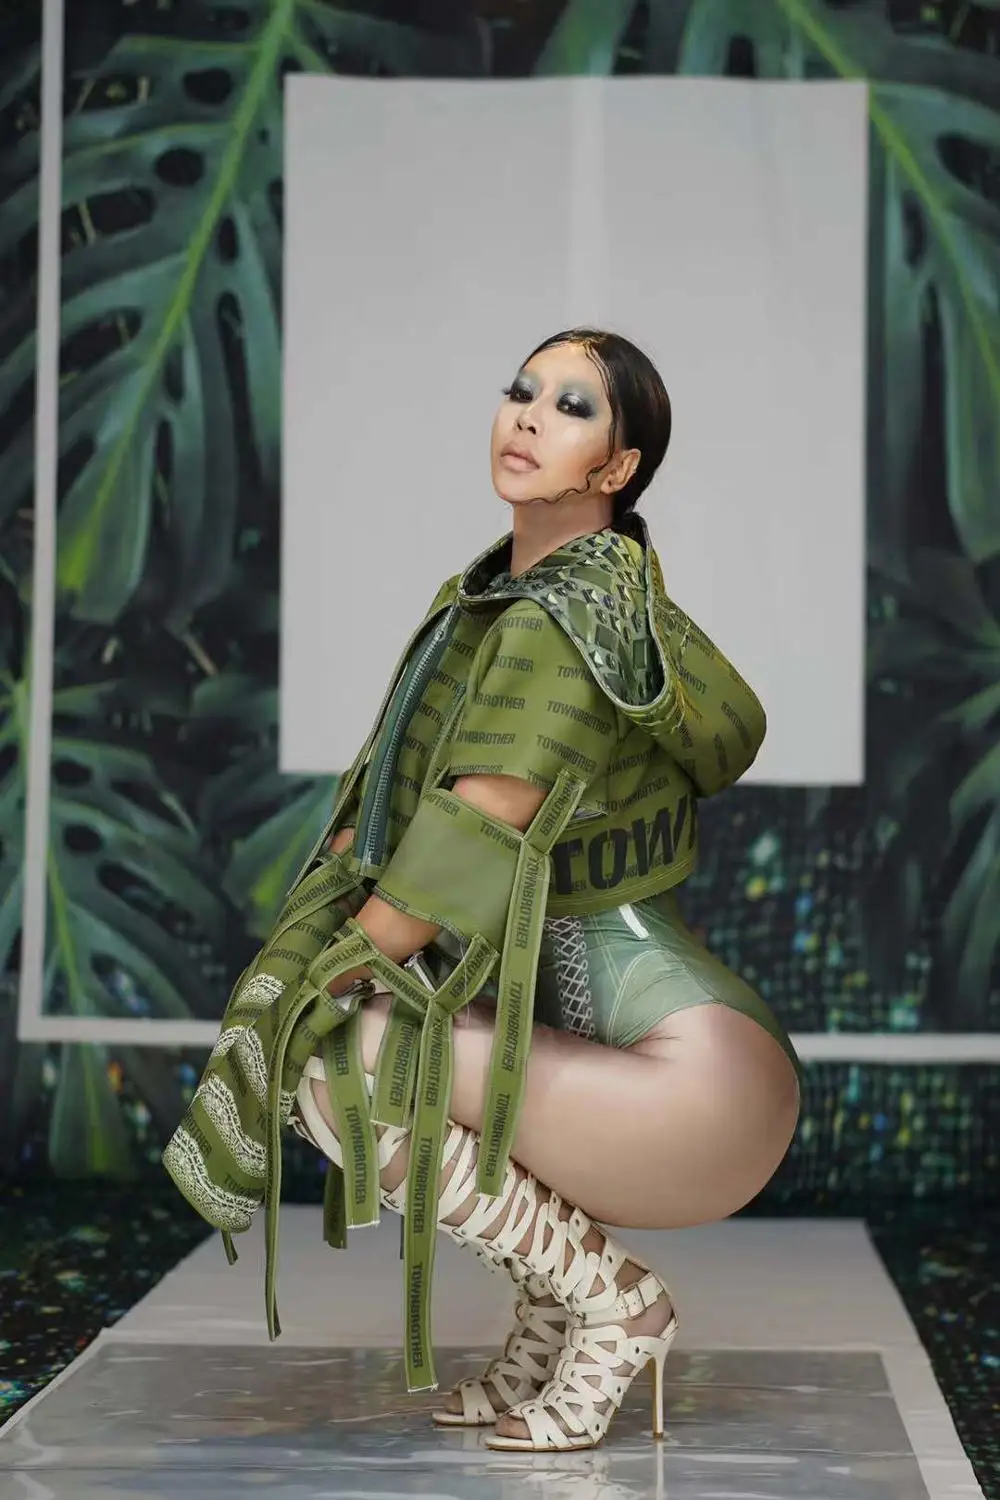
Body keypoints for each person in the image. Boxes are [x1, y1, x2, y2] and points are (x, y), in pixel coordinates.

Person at [163, 327, 801, 1455]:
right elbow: (401, 800)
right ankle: (555, 1319)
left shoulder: (567, 620)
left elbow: (472, 830)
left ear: (617, 467)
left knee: (340, 1053)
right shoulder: (498, 599)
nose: (528, 416)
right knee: (358, 1038)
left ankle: (613, 1305)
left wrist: (334, 968)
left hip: (697, 1088)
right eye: (522, 391)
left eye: (571, 407)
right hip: (627, 1066)